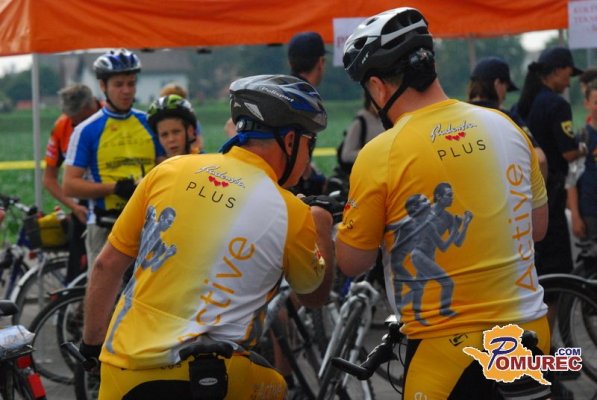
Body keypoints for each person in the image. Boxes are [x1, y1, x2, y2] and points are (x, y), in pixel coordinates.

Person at [337, 7, 549, 398]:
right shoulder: (507, 126)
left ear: (378, 87)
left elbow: (353, 262)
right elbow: (537, 229)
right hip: (531, 331)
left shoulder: (381, 152)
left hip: (446, 349)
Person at [79, 74, 334, 399]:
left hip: (123, 370)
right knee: (278, 386)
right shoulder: (291, 211)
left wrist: (91, 346)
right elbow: (313, 295)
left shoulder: (168, 171)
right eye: (310, 144)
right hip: (212, 378)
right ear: (290, 141)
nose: (308, 157)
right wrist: (321, 228)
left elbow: (106, 265)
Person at [63, 49, 165, 272]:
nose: (126, 90)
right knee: (105, 292)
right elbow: (70, 185)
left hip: (148, 223)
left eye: (131, 83)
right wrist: (115, 188)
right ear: (103, 86)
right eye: (119, 84)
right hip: (104, 226)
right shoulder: (87, 130)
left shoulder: (149, 122)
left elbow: (165, 166)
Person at [515, 46, 585, 277]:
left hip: (528, 188)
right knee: (558, 259)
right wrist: (584, 147)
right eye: (568, 75)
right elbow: (569, 153)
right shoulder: (557, 104)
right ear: (556, 71)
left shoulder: (524, 105)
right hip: (552, 189)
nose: (569, 83)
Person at [44, 84, 101, 281]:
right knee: (77, 278)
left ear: (91, 106)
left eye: (79, 119)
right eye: (72, 121)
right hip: (82, 209)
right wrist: (74, 207)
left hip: (112, 204)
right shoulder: (62, 125)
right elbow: (49, 179)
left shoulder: (110, 117)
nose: (76, 125)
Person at [468, 56, 548, 179]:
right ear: (497, 84)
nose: (504, 96)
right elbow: (540, 159)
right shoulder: (507, 118)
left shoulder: (455, 117)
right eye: (506, 88)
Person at [287, 31, 329, 196]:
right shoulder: (308, 98)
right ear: (320, 62)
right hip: (290, 188)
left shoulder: (280, 89)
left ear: (290, 62)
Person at [567, 80, 597, 242]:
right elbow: (571, 180)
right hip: (590, 213)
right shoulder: (583, 137)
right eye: (596, 103)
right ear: (587, 104)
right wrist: (575, 215)